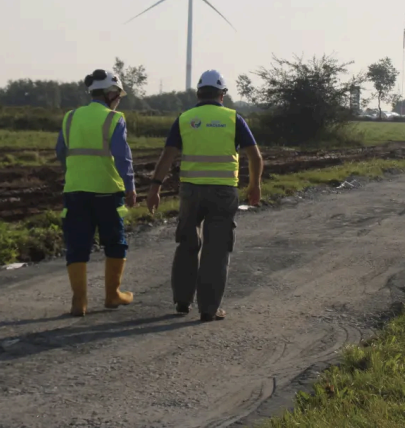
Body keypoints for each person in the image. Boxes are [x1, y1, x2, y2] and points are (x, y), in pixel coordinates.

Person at [146, 69, 263, 322]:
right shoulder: (234, 119)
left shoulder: (185, 118)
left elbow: (167, 156)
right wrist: (255, 185)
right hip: (223, 192)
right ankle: (208, 309)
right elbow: (255, 156)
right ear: (222, 94)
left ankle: (181, 301)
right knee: (216, 250)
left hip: (191, 191)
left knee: (187, 243)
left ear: (199, 93)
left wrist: (155, 188)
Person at [55, 68, 137, 317]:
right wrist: (131, 187)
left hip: (75, 191)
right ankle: (112, 295)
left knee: (77, 244)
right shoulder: (114, 119)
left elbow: (61, 151)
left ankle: (79, 302)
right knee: (115, 242)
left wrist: (77, 172)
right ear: (111, 93)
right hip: (107, 192)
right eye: (118, 95)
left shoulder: (70, 117)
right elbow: (123, 158)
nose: (119, 99)